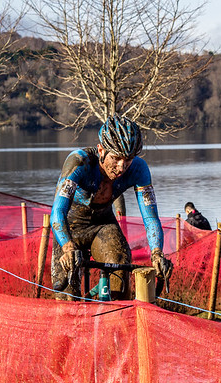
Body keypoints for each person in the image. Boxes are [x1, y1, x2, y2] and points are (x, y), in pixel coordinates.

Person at [50, 115, 173, 300]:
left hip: (103, 224)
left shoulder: (139, 169)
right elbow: (58, 211)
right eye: (116, 158)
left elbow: (150, 218)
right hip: (71, 226)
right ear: (101, 150)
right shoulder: (79, 162)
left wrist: (157, 253)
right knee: (65, 291)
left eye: (128, 159)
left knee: (120, 268)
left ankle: (116, 321)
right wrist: (67, 247)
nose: (122, 166)